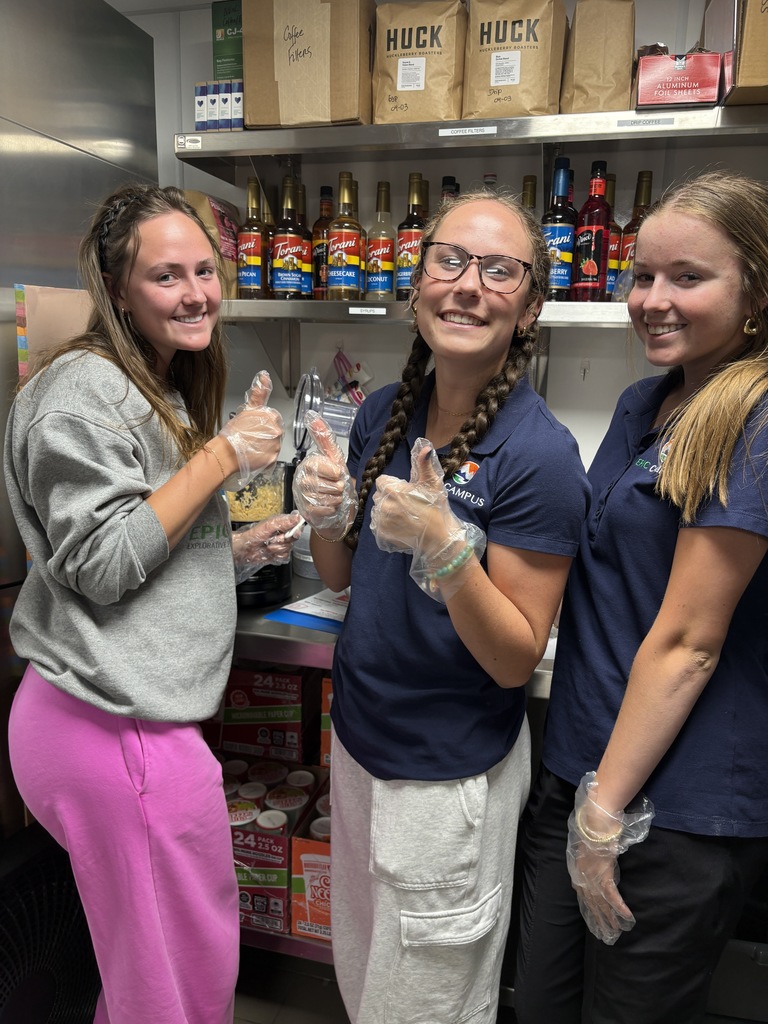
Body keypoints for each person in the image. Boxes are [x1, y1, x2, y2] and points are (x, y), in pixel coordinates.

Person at [4, 183, 301, 1024]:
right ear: (118, 287)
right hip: (109, 724)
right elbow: (101, 563)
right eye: (167, 275)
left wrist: (234, 551)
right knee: (173, 983)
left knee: (161, 961)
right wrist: (221, 457)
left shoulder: (152, 384)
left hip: (125, 716)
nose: (196, 292)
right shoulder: (81, 394)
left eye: (206, 270)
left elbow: (139, 543)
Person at [292, 189, 590, 1024]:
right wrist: (321, 510)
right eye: (449, 260)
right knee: (365, 984)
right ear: (416, 281)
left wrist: (449, 548)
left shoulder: (539, 456)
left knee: (425, 1007)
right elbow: (339, 572)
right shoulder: (386, 411)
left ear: (529, 308)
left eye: (500, 271)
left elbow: (514, 657)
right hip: (360, 749)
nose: (467, 285)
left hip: (447, 778)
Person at [513, 169, 768, 1024]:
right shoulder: (648, 402)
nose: (653, 300)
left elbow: (691, 640)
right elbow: (599, 556)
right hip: (577, 773)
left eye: (688, 278)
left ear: (756, 290)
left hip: (668, 807)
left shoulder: (755, 424)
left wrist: (604, 817)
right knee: (541, 1006)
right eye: (642, 276)